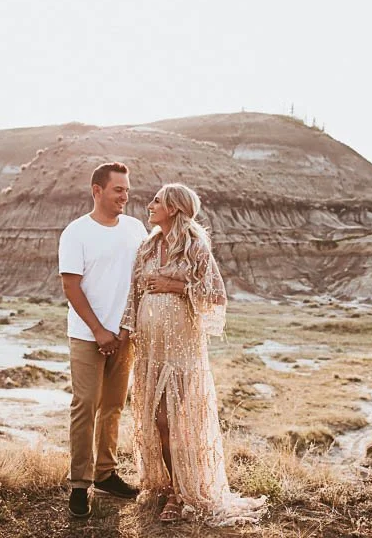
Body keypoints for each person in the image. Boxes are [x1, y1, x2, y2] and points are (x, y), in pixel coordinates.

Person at [119, 183, 266, 525]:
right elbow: (134, 294)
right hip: (150, 350)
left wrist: (175, 286)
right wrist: (127, 331)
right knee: (156, 422)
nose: (150, 205)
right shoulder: (147, 247)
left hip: (182, 349)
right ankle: (167, 484)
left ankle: (179, 494)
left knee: (178, 422)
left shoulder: (195, 246)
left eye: (157, 201)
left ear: (173, 208)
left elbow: (215, 294)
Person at [58, 162, 149, 518]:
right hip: (86, 334)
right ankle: (79, 484)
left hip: (125, 334)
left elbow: (141, 277)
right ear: (97, 190)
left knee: (113, 406)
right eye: (118, 190)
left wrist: (125, 328)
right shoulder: (76, 232)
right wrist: (99, 330)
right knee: (86, 405)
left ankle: (106, 474)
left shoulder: (134, 228)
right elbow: (70, 286)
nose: (125, 196)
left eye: (127, 190)